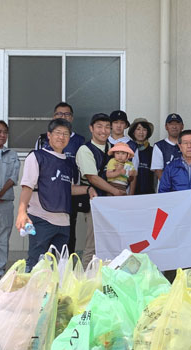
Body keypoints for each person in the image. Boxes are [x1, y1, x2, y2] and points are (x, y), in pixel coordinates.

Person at [17, 118, 95, 272]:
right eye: (58, 133)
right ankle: (34, 295)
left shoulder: (68, 163)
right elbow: (27, 186)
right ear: (49, 135)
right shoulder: (37, 156)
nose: (62, 137)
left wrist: (87, 189)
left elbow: (69, 189)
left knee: (59, 266)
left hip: (64, 223)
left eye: (66, 134)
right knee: (37, 264)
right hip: (41, 219)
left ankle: (52, 295)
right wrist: (21, 212)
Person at [34, 102, 86, 253]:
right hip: (46, 194)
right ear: (53, 117)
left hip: (70, 192)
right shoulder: (43, 139)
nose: (63, 117)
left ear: (72, 118)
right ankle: (44, 267)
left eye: (67, 114)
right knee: (44, 232)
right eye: (59, 114)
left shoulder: (80, 140)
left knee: (68, 230)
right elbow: (37, 165)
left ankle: (65, 264)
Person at [76, 113, 123, 263]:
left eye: (107, 127)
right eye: (99, 127)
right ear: (91, 128)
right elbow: (92, 177)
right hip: (94, 202)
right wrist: (115, 191)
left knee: (112, 243)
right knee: (93, 244)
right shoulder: (85, 149)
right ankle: (86, 281)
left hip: (113, 203)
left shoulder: (114, 149)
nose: (103, 131)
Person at [0, 121, 20, 281]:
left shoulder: (12, 154)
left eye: (5, 132)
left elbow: (13, 179)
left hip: (5, 203)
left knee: (3, 240)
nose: (2, 135)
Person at [151, 113, 184, 181]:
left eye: (177, 123)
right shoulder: (159, 146)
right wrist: (170, 187)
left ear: (182, 126)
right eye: (171, 124)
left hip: (184, 187)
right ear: (166, 127)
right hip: (167, 189)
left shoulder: (187, 145)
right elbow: (158, 171)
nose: (174, 127)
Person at [127, 117, 155, 195]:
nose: (141, 132)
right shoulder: (127, 150)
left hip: (148, 194)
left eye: (144, 129)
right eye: (138, 129)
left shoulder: (153, 151)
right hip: (130, 194)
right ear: (133, 132)